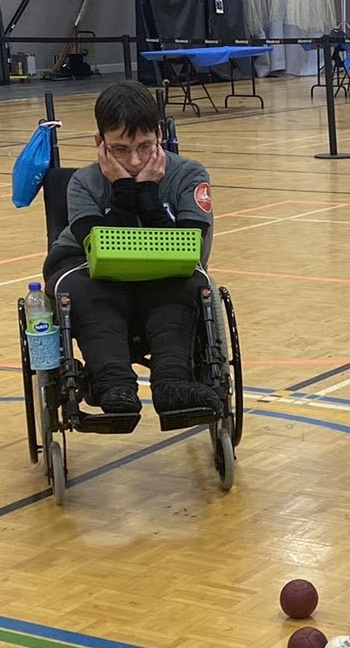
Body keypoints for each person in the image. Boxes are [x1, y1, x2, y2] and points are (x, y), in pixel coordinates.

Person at [44, 82, 219, 417]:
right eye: (121, 150)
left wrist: (149, 193)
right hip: (87, 267)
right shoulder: (83, 182)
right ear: (100, 143)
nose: (136, 160)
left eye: (144, 146)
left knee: (184, 284)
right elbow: (103, 250)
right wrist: (124, 189)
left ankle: (172, 383)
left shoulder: (190, 175)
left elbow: (190, 251)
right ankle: (113, 385)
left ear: (159, 136)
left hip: (165, 270)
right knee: (92, 290)